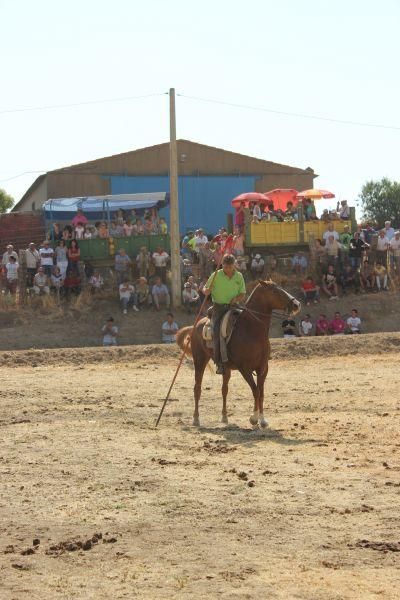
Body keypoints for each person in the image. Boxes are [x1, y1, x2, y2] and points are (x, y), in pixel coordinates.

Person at [203, 254, 246, 374]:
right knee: (217, 331)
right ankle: (219, 362)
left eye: (230, 267)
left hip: (234, 306)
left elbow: (242, 293)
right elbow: (206, 288)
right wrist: (206, 291)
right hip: (219, 308)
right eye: (225, 267)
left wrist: (236, 299)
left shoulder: (239, 276)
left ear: (234, 265)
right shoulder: (216, 275)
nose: (227, 269)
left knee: (248, 323)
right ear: (222, 265)